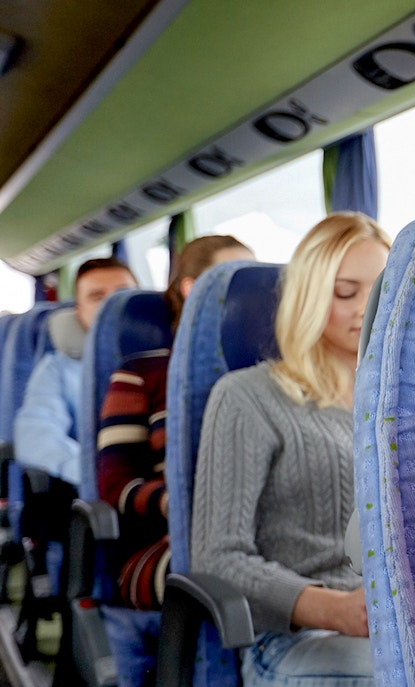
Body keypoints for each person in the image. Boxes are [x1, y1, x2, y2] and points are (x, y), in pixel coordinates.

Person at [192, 212, 390, 687]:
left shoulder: (400, 405)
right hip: (291, 639)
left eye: (380, 290)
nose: (368, 306)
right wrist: (334, 609)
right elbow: (217, 558)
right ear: (310, 297)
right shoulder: (248, 397)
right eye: (346, 292)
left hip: (393, 630)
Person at [94, 235, 253, 687]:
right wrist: (184, 505)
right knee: (242, 581)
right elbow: (116, 485)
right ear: (190, 289)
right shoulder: (141, 373)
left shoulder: (274, 375)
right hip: (164, 544)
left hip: (255, 536)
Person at [14, 257, 137, 486]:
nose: (111, 306)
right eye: (97, 297)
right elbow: (38, 436)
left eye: (122, 294)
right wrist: (98, 475)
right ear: (79, 312)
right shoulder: (57, 369)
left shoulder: (168, 359)